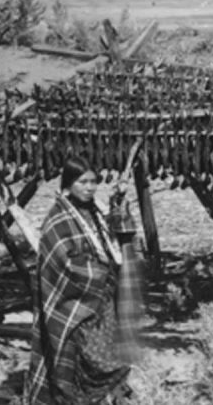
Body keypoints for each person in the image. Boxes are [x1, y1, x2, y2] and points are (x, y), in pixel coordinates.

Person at [25, 161, 135, 405]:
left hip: (101, 301)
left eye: (93, 182)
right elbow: (61, 263)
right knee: (76, 361)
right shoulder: (57, 219)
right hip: (73, 305)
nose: (89, 188)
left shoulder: (94, 212)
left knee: (109, 358)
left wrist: (118, 205)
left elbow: (115, 239)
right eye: (82, 182)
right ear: (68, 184)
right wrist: (99, 272)